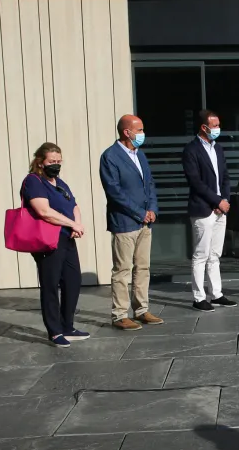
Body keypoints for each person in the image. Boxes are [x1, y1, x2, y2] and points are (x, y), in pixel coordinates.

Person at [21, 142, 89, 347]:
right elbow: (44, 211)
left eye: (59, 161)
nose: (56, 165)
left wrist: (77, 224)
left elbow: (74, 205)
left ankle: (67, 326)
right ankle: (55, 331)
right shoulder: (33, 182)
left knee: (73, 281)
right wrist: (72, 224)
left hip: (67, 238)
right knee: (50, 284)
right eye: (52, 161)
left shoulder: (60, 183)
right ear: (40, 162)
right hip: (48, 240)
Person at [100, 114, 162, 331]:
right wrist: (139, 212)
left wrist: (152, 209)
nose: (143, 134)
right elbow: (114, 191)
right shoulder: (110, 156)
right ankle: (119, 315)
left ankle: (141, 310)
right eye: (140, 130)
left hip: (145, 222)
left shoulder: (140, 154)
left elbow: (149, 184)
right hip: (125, 222)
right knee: (122, 269)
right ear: (127, 132)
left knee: (143, 267)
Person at [181, 110, 237, 312]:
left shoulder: (218, 149)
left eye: (218, 125)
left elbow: (225, 177)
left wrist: (225, 200)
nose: (218, 129)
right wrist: (216, 201)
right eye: (215, 126)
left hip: (220, 209)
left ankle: (217, 294)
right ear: (204, 127)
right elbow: (195, 182)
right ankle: (199, 298)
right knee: (201, 255)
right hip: (203, 208)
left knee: (215, 254)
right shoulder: (191, 150)